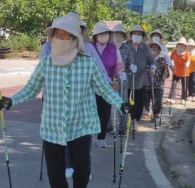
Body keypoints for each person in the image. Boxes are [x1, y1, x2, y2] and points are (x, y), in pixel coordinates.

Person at [0, 15, 133, 188]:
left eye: (66, 35)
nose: (61, 39)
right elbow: (31, 89)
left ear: (75, 38)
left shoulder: (88, 64)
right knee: (55, 173)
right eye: (58, 35)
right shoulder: (46, 64)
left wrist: (122, 105)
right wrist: (10, 101)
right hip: (52, 126)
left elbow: (105, 89)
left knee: (83, 169)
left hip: (81, 124)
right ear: (52, 38)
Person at [40, 13, 107, 180]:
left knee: (82, 142)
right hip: (56, 103)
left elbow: (100, 70)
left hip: (82, 103)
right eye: (60, 32)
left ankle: (83, 168)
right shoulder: (47, 48)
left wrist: (107, 85)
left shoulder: (88, 49)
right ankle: (67, 165)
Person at [91, 22, 124, 148]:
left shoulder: (113, 48)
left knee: (104, 111)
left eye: (105, 33)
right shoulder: (89, 47)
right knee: (90, 109)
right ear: (95, 35)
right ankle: (87, 134)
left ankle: (101, 137)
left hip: (107, 83)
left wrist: (120, 74)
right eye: (100, 33)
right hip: (91, 84)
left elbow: (118, 64)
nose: (103, 36)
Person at [125, 26, 156, 128]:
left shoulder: (145, 47)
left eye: (139, 34)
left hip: (141, 80)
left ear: (142, 36)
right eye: (135, 33)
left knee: (139, 101)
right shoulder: (125, 46)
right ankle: (127, 119)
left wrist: (152, 67)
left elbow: (152, 60)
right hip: (127, 79)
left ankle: (136, 120)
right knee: (127, 101)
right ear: (131, 35)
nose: (137, 36)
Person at [112, 23, 133, 136]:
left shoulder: (127, 49)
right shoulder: (109, 46)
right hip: (109, 80)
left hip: (123, 81)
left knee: (124, 104)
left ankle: (122, 127)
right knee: (108, 104)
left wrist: (128, 72)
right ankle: (108, 127)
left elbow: (131, 64)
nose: (117, 36)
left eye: (120, 34)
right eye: (116, 33)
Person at [144, 41, 169, 122]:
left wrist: (165, 74)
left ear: (158, 49)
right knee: (146, 100)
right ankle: (148, 111)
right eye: (152, 47)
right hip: (147, 83)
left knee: (157, 100)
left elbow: (166, 71)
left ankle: (155, 114)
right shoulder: (147, 58)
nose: (154, 49)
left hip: (158, 83)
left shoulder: (162, 59)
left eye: (156, 47)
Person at [166, 37, 190, 105]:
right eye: (180, 44)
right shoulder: (174, 52)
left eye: (183, 45)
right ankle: (171, 98)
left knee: (184, 86)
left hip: (184, 72)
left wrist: (187, 64)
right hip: (176, 72)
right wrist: (171, 66)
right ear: (177, 45)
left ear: (185, 46)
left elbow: (188, 60)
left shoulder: (187, 53)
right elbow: (169, 60)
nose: (181, 46)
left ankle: (183, 99)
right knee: (173, 85)